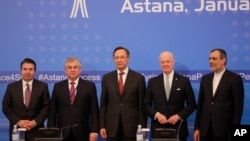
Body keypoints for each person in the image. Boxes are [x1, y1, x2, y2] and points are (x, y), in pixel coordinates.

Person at [143, 51, 196, 141]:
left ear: (173, 62)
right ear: (160, 63)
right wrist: (157, 115)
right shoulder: (153, 82)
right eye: (162, 62)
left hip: (178, 128)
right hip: (158, 129)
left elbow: (192, 105)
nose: (165, 64)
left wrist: (178, 116)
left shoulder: (184, 81)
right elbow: (145, 105)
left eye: (168, 61)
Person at [193, 48, 244, 141]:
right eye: (209, 59)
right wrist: (197, 128)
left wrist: (235, 132)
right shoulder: (205, 79)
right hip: (205, 130)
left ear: (223, 60)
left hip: (224, 131)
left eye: (214, 58)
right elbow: (200, 105)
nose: (210, 61)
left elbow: (238, 108)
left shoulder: (235, 79)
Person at [99, 46, 147, 141]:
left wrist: (143, 129)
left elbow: (142, 106)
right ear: (113, 59)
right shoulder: (107, 78)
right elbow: (103, 105)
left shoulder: (138, 78)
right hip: (111, 127)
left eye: (122, 57)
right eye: (116, 58)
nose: (119, 60)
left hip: (132, 128)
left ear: (128, 58)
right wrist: (102, 126)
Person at [47, 57, 99, 141]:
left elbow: (94, 111)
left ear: (80, 69)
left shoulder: (89, 86)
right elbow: (52, 111)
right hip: (62, 133)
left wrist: (94, 131)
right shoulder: (58, 87)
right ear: (65, 70)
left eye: (75, 67)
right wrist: (51, 131)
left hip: (83, 132)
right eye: (69, 67)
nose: (72, 70)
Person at [2, 58, 50, 141]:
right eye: (25, 69)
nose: (27, 72)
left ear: (35, 71)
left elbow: (47, 107)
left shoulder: (43, 87)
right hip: (17, 131)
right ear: (21, 71)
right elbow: (6, 107)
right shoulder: (11, 87)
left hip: (36, 131)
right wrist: (18, 121)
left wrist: (34, 122)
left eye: (30, 69)